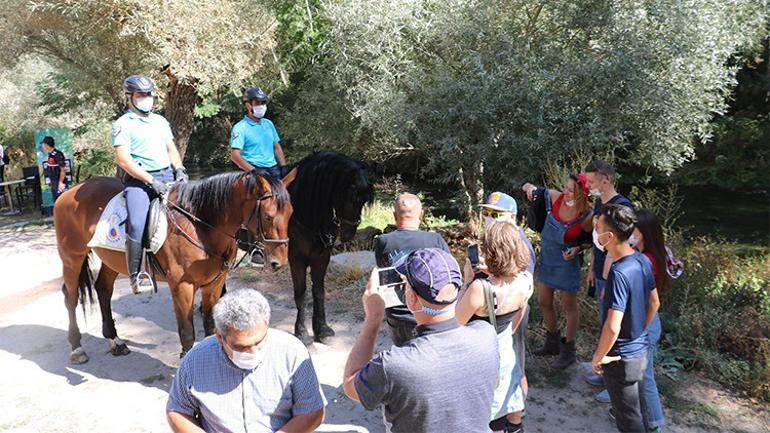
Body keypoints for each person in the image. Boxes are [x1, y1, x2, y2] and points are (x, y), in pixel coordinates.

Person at [343, 248, 499, 433]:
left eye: (405, 285)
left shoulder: (394, 365)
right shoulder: (486, 336)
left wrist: (373, 317)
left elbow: (350, 385)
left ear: (411, 297)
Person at [166, 288, 326, 433]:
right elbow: (177, 410)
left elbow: (313, 412)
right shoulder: (195, 360)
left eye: (259, 342)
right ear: (220, 338)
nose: (253, 352)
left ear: (266, 325)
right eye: (241, 347)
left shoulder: (292, 352)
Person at [112, 75, 187, 294]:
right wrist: (150, 180)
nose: (147, 99)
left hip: (168, 176)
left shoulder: (160, 121)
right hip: (139, 181)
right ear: (130, 97)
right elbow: (123, 159)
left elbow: (171, 149)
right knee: (137, 223)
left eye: (149, 94)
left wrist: (180, 168)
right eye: (141, 95)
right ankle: (137, 275)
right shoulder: (123, 124)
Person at [456, 221, 533, 433]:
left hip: (480, 355)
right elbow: (518, 316)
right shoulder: (526, 280)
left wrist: (467, 281)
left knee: (482, 414)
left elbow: (455, 323)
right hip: (505, 347)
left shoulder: (481, 288)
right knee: (503, 406)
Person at [591, 204, 660, 433]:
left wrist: (599, 357)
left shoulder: (619, 273)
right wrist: (639, 332)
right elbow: (654, 303)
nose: (595, 231)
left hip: (620, 358)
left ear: (609, 235)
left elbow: (612, 326)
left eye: (598, 227)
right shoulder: (642, 260)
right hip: (639, 351)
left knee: (628, 420)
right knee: (638, 411)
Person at [522, 174, 593, 369]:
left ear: (583, 193)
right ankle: (552, 342)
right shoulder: (555, 197)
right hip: (547, 258)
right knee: (544, 301)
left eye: (571, 189)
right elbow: (530, 185)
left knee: (569, 306)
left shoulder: (588, 215)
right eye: (566, 187)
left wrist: (578, 249)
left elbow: (590, 241)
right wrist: (528, 188)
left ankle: (569, 350)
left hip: (566, 262)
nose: (566, 191)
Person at [583, 160, 635, 399]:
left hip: (616, 276)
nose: (588, 185)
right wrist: (593, 267)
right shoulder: (598, 203)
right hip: (602, 273)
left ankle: (614, 384)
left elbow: (626, 246)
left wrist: (609, 279)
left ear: (606, 180)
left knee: (614, 326)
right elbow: (599, 241)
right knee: (604, 323)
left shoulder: (622, 207)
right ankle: (605, 372)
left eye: (592, 181)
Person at [478, 191, 535, 406]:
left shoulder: (520, 244)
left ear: (512, 217)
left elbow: (524, 290)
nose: (490, 217)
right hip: (496, 308)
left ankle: (516, 417)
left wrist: (510, 328)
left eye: (497, 213)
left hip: (513, 311)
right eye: (488, 212)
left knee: (515, 363)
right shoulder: (496, 239)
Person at [374, 193, 451, 346]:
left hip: (398, 316)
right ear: (421, 215)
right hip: (431, 315)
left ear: (395, 215)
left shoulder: (383, 242)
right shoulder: (436, 240)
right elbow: (448, 277)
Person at [629, 209, 668, 432]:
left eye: (634, 230)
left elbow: (648, 301)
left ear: (644, 233)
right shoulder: (651, 255)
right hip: (646, 323)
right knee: (637, 375)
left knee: (646, 377)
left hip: (644, 324)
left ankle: (655, 423)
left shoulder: (645, 261)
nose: (629, 233)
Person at [230, 87, 286, 180]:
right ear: (248, 105)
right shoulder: (240, 128)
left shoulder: (268, 123)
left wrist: (284, 167)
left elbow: (276, 147)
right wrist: (254, 171)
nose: (261, 106)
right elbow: (235, 155)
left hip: (273, 170)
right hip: (252, 172)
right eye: (257, 102)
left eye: (263, 103)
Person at [41, 136, 68, 202]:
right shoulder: (51, 154)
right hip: (53, 182)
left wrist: (61, 183)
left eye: (43, 144)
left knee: (62, 201)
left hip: (58, 182)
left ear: (47, 145)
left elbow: (63, 170)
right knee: (56, 201)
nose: (43, 146)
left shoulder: (58, 154)